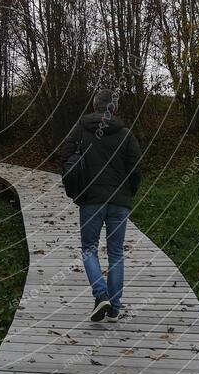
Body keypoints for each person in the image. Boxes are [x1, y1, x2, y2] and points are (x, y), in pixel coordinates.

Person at [60, 89, 143, 322]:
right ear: (114, 109)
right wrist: (127, 194)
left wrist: (77, 190)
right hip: (119, 203)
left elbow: (65, 161)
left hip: (91, 201)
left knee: (89, 249)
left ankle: (100, 296)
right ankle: (114, 308)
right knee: (116, 253)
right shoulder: (126, 134)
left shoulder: (80, 130)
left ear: (94, 107)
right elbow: (135, 169)